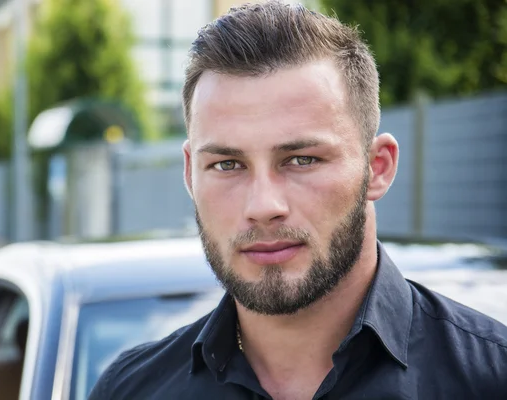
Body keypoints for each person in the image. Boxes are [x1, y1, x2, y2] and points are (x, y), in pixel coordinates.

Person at [88, 2, 507, 399]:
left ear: (377, 167)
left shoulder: (491, 379)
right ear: (189, 175)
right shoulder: (131, 389)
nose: (263, 205)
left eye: (301, 159)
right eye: (227, 165)